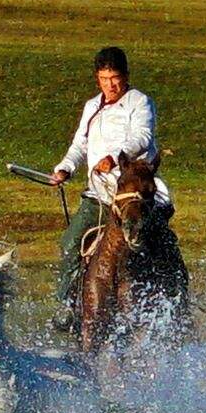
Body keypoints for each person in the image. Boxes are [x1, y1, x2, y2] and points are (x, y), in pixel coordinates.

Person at [47, 46, 177, 333]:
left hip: (132, 191)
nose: (110, 85)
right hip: (100, 194)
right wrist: (65, 167)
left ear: (126, 76)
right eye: (104, 79)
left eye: (115, 78)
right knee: (70, 242)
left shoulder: (139, 102)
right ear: (97, 79)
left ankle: (173, 290)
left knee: (159, 240)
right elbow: (79, 145)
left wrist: (117, 155)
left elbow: (142, 136)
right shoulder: (92, 106)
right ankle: (66, 305)